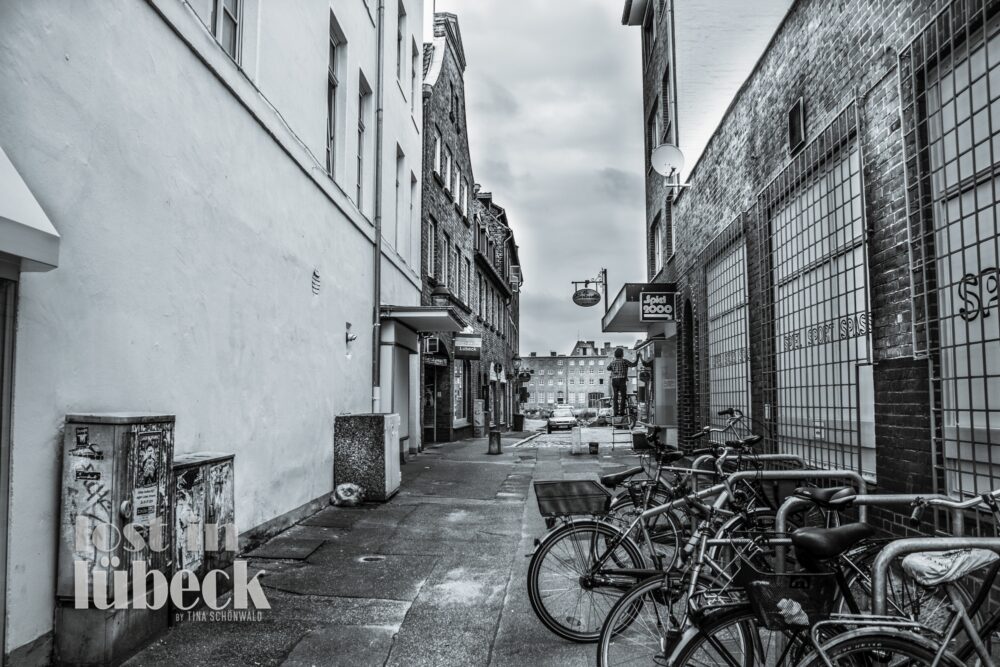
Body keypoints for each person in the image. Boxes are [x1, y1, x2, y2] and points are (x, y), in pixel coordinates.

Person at [607, 348, 639, 418]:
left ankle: (615, 412)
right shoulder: (624, 361)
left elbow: (608, 368)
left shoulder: (613, 362)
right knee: (623, 396)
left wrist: (614, 369)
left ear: (615, 355)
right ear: (622, 354)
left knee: (615, 397)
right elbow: (634, 364)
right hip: (622, 380)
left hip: (614, 380)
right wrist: (638, 357)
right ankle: (621, 412)